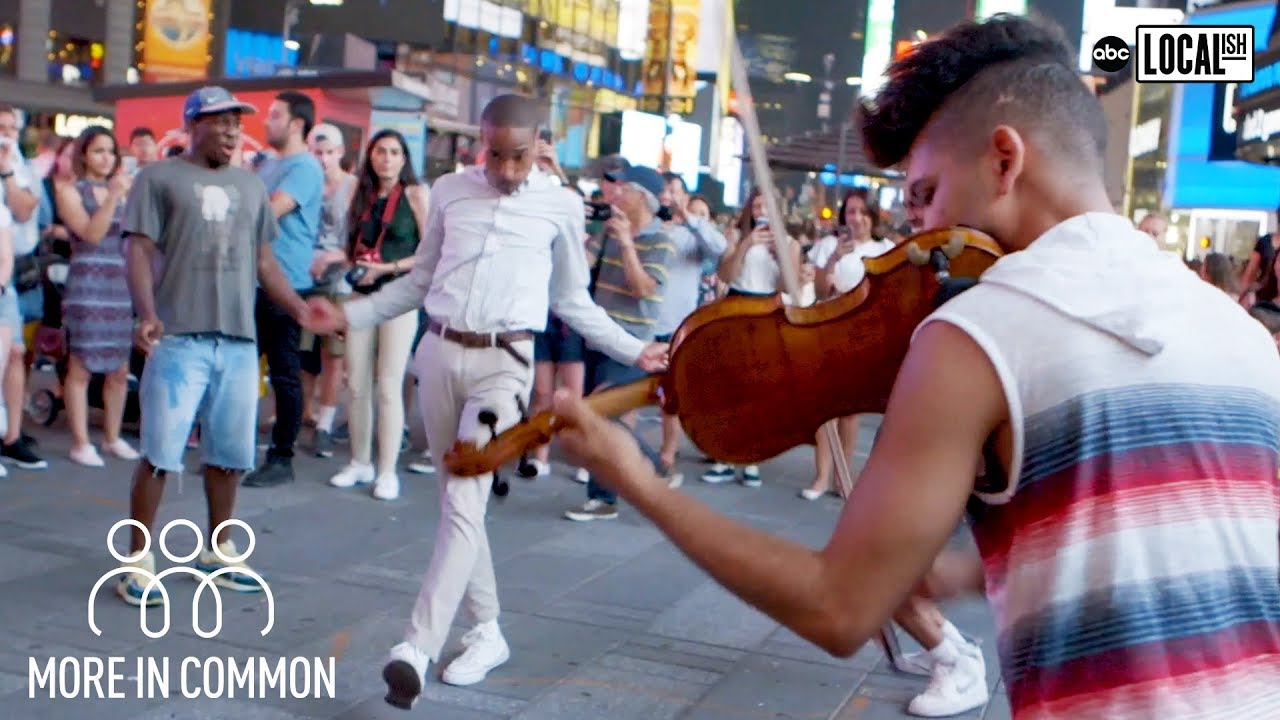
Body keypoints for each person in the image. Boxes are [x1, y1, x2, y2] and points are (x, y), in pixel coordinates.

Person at [548, 14, 1280, 720]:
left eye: (925, 194)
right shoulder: (1238, 332)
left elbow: (838, 607)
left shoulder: (981, 328)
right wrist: (974, 569)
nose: (918, 231)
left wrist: (636, 480)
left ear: (1005, 159)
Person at [305, 94, 667, 709]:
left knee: (466, 494)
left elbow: (573, 303)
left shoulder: (560, 205)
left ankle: (415, 648)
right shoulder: (448, 191)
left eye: (518, 157)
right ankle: (488, 630)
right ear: (480, 141)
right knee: (457, 506)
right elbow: (418, 283)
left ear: (539, 147)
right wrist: (349, 313)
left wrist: (636, 353)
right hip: (438, 354)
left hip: (507, 366)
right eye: (494, 154)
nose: (504, 168)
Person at [114, 86, 318, 606]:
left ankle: (219, 551)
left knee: (229, 455)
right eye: (219, 121)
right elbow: (137, 250)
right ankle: (137, 560)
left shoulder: (251, 187)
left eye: (236, 122)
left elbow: (266, 263)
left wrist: (299, 309)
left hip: (238, 340)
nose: (231, 131)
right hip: (178, 336)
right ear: (191, 125)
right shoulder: (157, 178)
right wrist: (147, 314)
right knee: (160, 453)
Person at [241, 91, 325, 488]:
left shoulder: (305, 168)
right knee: (241, 368)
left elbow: (268, 210)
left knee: (284, 374)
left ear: (296, 124)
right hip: (253, 280)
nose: (266, 121)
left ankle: (282, 457)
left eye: (274, 115)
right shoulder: (268, 164)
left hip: (286, 285)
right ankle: (236, 449)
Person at [54, 125, 140, 466]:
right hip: (88, 285)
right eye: (98, 151)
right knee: (82, 365)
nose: (106, 158)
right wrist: (114, 197)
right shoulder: (71, 191)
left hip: (119, 284)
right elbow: (91, 233)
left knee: (119, 367)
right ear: (84, 156)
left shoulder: (123, 189)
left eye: (110, 151)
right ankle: (80, 442)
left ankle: (112, 436)